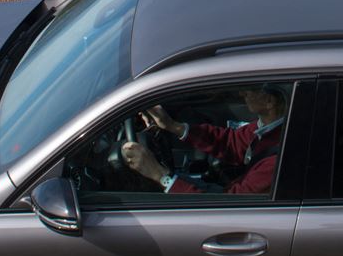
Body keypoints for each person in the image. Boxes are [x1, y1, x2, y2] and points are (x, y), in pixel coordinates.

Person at [121, 84, 287, 195]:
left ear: (269, 101)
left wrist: (160, 175)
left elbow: (230, 207)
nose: (241, 93)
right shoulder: (270, 127)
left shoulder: (276, 162)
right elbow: (233, 143)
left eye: (249, 89)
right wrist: (173, 126)